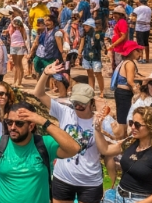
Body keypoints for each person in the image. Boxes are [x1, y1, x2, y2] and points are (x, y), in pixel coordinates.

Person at [0, 102, 80, 203]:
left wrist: (43, 121)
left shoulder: (44, 144)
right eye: (9, 122)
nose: (12, 127)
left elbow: (74, 148)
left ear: (31, 126)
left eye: (19, 123)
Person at [34, 64, 107, 203]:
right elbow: (39, 94)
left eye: (82, 103)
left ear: (92, 102)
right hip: (63, 178)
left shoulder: (101, 119)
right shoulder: (65, 112)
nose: (77, 106)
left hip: (90, 182)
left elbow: (112, 144)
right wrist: (45, 73)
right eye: (75, 102)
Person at [95, 107, 152, 203]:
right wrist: (97, 130)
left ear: (151, 127)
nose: (132, 127)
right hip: (117, 196)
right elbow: (105, 150)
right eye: (131, 123)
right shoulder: (130, 143)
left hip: (139, 199)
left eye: (137, 125)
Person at [114, 41, 143, 134]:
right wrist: (137, 90)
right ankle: (121, 138)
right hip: (124, 93)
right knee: (123, 119)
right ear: (133, 51)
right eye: (139, 51)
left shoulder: (125, 62)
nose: (141, 54)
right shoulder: (130, 64)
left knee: (122, 117)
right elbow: (130, 81)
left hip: (120, 93)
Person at [77, 18, 104, 97]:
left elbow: (100, 41)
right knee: (90, 74)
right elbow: (82, 43)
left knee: (98, 73)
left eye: (86, 26)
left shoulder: (96, 34)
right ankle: (91, 90)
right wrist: (79, 53)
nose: (85, 28)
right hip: (86, 55)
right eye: (84, 26)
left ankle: (102, 91)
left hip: (95, 56)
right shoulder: (85, 35)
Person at [8, 17, 29, 87]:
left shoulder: (22, 29)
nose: (14, 25)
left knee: (18, 65)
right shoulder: (12, 30)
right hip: (13, 46)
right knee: (16, 65)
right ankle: (15, 81)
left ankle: (19, 82)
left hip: (20, 46)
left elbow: (25, 38)